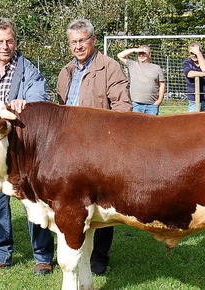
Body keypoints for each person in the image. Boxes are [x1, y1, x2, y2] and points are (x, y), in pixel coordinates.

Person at [0, 17, 55, 276]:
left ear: (15, 41)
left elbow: (40, 97)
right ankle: (0, 253)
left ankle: (42, 257)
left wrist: (24, 103)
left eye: (9, 41)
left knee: (33, 202)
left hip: (22, 149)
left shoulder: (28, 69)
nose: (5, 46)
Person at [57, 18, 132, 275]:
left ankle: (100, 256)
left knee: (101, 202)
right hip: (68, 149)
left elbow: (123, 107)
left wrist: (108, 139)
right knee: (74, 202)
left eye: (82, 41)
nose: (78, 46)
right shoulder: (66, 71)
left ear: (93, 40)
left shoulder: (110, 68)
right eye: (73, 42)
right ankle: (76, 248)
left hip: (99, 148)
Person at [117, 45, 165, 115]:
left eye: (144, 53)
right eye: (139, 53)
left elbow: (162, 85)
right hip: (136, 105)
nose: (141, 55)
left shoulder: (156, 68)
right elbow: (120, 55)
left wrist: (159, 101)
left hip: (152, 106)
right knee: (135, 126)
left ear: (149, 54)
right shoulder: (132, 65)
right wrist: (134, 49)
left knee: (151, 126)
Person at [183, 42, 205, 112]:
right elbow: (189, 73)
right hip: (193, 100)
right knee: (193, 122)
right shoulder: (187, 62)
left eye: (195, 53)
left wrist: (198, 53)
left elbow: (204, 68)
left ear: (201, 52)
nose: (194, 55)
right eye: (192, 53)